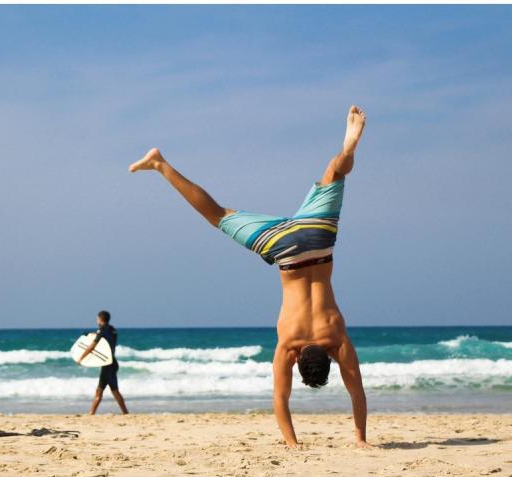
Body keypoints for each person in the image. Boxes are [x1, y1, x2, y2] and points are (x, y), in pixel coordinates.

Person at [129, 105, 369, 448]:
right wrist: (292, 443)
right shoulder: (290, 344)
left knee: (335, 172)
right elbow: (281, 400)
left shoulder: (337, 339)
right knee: (218, 215)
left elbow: (357, 391)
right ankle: (160, 165)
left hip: (317, 240)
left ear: (327, 358)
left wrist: (361, 438)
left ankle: (347, 150)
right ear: (299, 359)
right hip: (284, 251)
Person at [76, 310, 130, 415]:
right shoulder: (112, 330)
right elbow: (103, 336)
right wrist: (93, 334)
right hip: (111, 363)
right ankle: (92, 413)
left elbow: (92, 346)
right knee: (100, 390)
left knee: (114, 390)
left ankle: (125, 413)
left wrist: (81, 358)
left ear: (100, 319)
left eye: (97, 318)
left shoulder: (102, 331)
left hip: (108, 365)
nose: (96, 320)